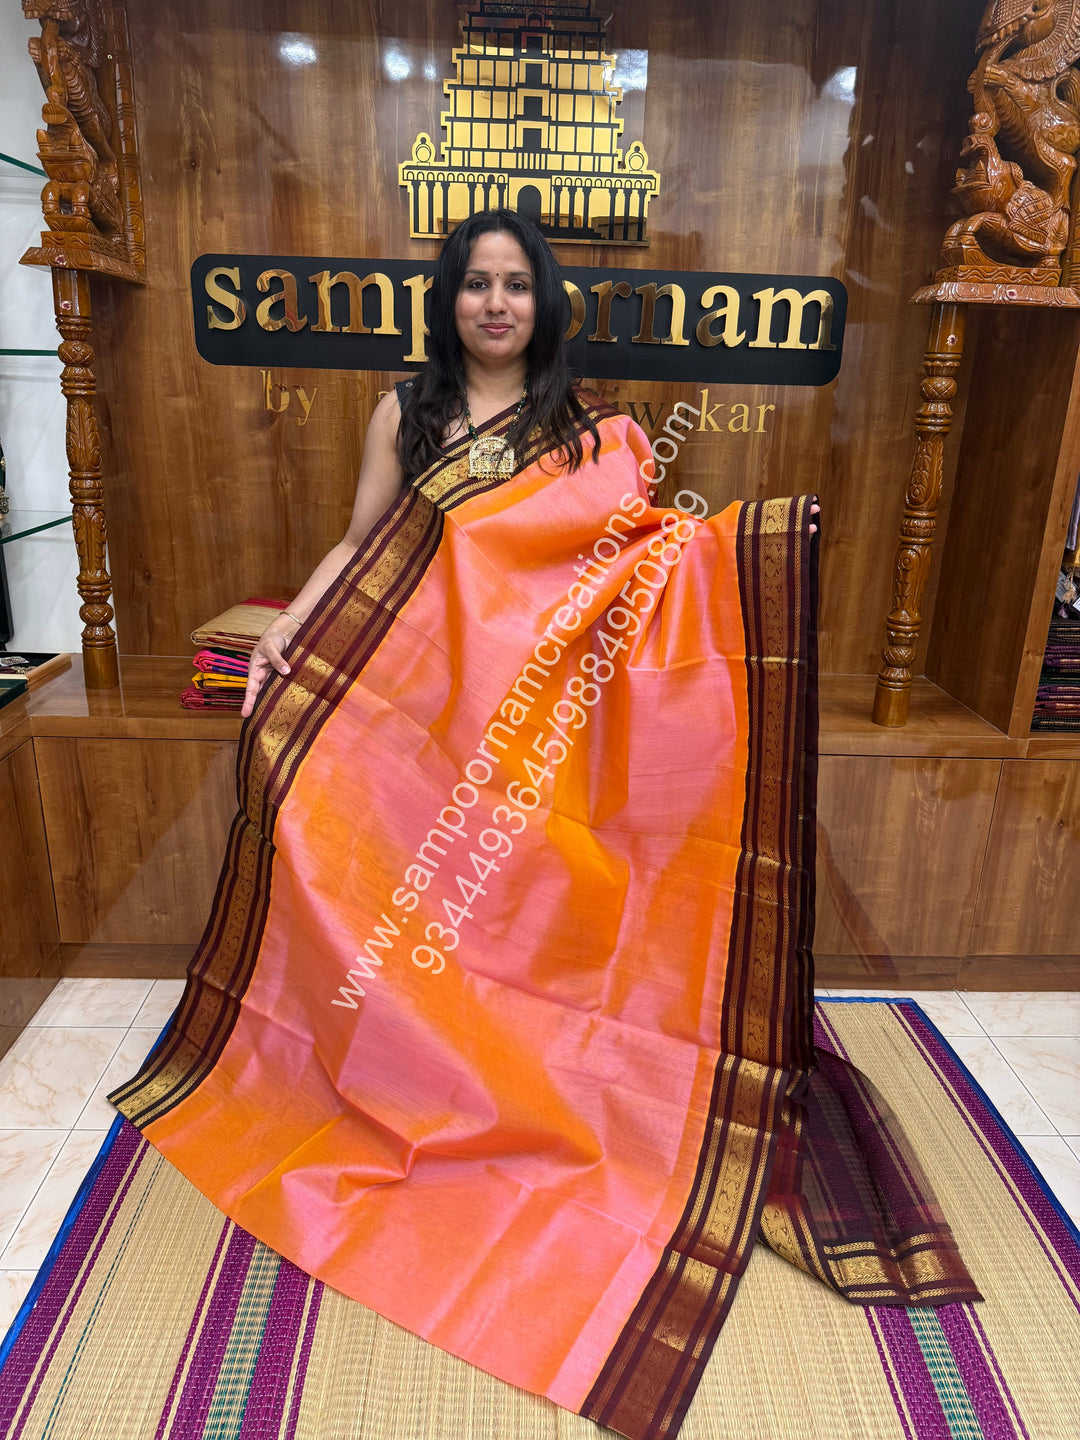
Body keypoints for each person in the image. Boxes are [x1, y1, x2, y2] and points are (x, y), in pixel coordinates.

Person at [113, 210, 977, 1440]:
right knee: (354, 855)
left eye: (516, 284)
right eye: (476, 283)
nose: (496, 303)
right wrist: (289, 632)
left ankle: (500, 1062)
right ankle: (382, 1050)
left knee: (508, 913)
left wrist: (726, 557)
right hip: (421, 711)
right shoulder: (405, 415)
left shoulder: (584, 428)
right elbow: (362, 544)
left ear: (545, 301)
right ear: (449, 299)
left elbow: (625, 576)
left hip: (527, 728)